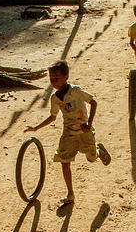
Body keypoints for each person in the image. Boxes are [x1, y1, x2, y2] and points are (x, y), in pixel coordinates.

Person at [25, 61, 111, 207]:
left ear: (66, 77)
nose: (54, 81)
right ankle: (70, 193)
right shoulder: (55, 98)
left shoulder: (76, 91)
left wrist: (89, 123)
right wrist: (36, 128)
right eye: (51, 78)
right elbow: (53, 117)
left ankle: (98, 150)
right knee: (64, 161)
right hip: (68, 134)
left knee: (91, 158)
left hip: (85, 132)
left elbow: (93, 102)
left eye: (57, 78)